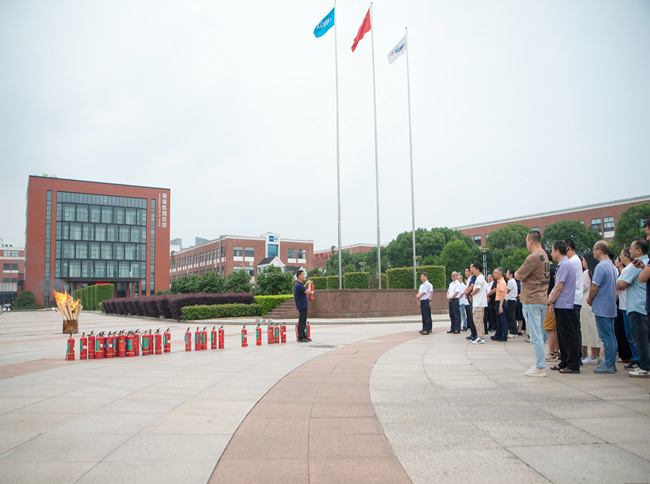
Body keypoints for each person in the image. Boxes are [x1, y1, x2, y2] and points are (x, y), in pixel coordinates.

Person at [515, 230, 551, 377]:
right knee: (539, 334)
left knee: (535, 335)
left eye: (526, 242)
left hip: (532, 299)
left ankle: (540, 367)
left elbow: (518, 275)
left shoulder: (533, 257)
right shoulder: (544, 255)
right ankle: (539, 363)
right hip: (542, 298)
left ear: (530, 241)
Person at [618, 238, 649, 377]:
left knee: (639, 338)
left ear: (639, 250)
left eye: (631, 248)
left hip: (636, 306)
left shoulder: (635, 265)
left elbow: (622, 284)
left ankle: (645, 366)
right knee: (643, 338)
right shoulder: (646, 263)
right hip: (643, 304)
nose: (629, 251)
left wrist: (623, 282)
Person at [548, 240, 581, 374]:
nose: (551, 254)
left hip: (565, 305)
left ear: (557, 251)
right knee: (562, 335)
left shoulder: (565, 264)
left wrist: (551, 299)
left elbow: (559, 286)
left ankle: (573, 364)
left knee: (568, 335)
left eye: (552, 251)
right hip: (561, 304)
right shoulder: (563, 264)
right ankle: (565, 360)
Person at [587, 241, 619, 373]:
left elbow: (594, 287)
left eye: (594, 249)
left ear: (600, 250)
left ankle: (609, 364)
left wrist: (590, 298)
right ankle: (611, 363)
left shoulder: (601, 267)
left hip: (602, 306)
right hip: (610, 305)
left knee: (606, 337)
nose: (593, 252)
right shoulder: (612, 266)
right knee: (611, 335)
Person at [618, 249, 640, 369]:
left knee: (632, 335)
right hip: (626, 305)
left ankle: (637, 359)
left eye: (622, 254)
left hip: (628, 305)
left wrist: (621, 283)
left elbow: (620, 284)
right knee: (630, 334)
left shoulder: (629, 269)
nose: (620, 257)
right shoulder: (628, 269)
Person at [580, 251, 602, 365]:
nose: (583, 263)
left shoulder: (586, 274)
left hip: (586, 302)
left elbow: (581, 288)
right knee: (595, 330)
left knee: (587, 330)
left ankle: (591, 356)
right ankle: (596, 355)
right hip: (596, 303)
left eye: (584, 260)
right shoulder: (597, 272)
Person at [470, 262, 488, 343]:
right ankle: (481, 336)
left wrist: (471, 294)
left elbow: (477, 289)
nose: (472, 271)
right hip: (479, 303)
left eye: (473, 269)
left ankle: (480, 337)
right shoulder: (480, 278)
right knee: (479, 321)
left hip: (478, 303)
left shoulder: (480, 278)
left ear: (477, 269)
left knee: (477, 320)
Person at [293, 270, 313, 342]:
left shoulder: (298, 284)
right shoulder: (298, 285)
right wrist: (309, 285)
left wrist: (306, 284)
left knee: (303, 321)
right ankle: (301, 337)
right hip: (302, 305)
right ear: (299, 276)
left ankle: (304, 335)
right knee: (302, 321)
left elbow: (303, 289)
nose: (304, 276)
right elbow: (308, 292)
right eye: (303, 275)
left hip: (302, 304)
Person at [492, 268, 508, 342]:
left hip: (501, 302)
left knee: (503, 320)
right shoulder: (498, 282)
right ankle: (498, 334)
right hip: (498, 302)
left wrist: (500, 306)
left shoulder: (502, 282)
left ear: (501, 273)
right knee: (498, 320)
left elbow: (502, 295)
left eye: (496, 273)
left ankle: (504, 335)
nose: (494, 274)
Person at [506, 269, 518, 336]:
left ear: (511, 274)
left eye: (507, 272)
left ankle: (513, 331)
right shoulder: (511, 281)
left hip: (511, 300)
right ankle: (513, 330)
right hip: (511, 300)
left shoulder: (511, 281)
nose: (506, 274)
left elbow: (507, 290)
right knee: (511, 315)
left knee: (511, 316)